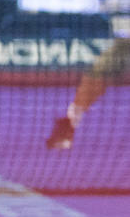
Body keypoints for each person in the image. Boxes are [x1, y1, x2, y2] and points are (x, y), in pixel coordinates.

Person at [46, 20, 129, 149]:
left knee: (93, 78)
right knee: (92, 81)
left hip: (121, 46)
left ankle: (66, 131)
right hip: (121, 46)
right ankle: (66, 131)